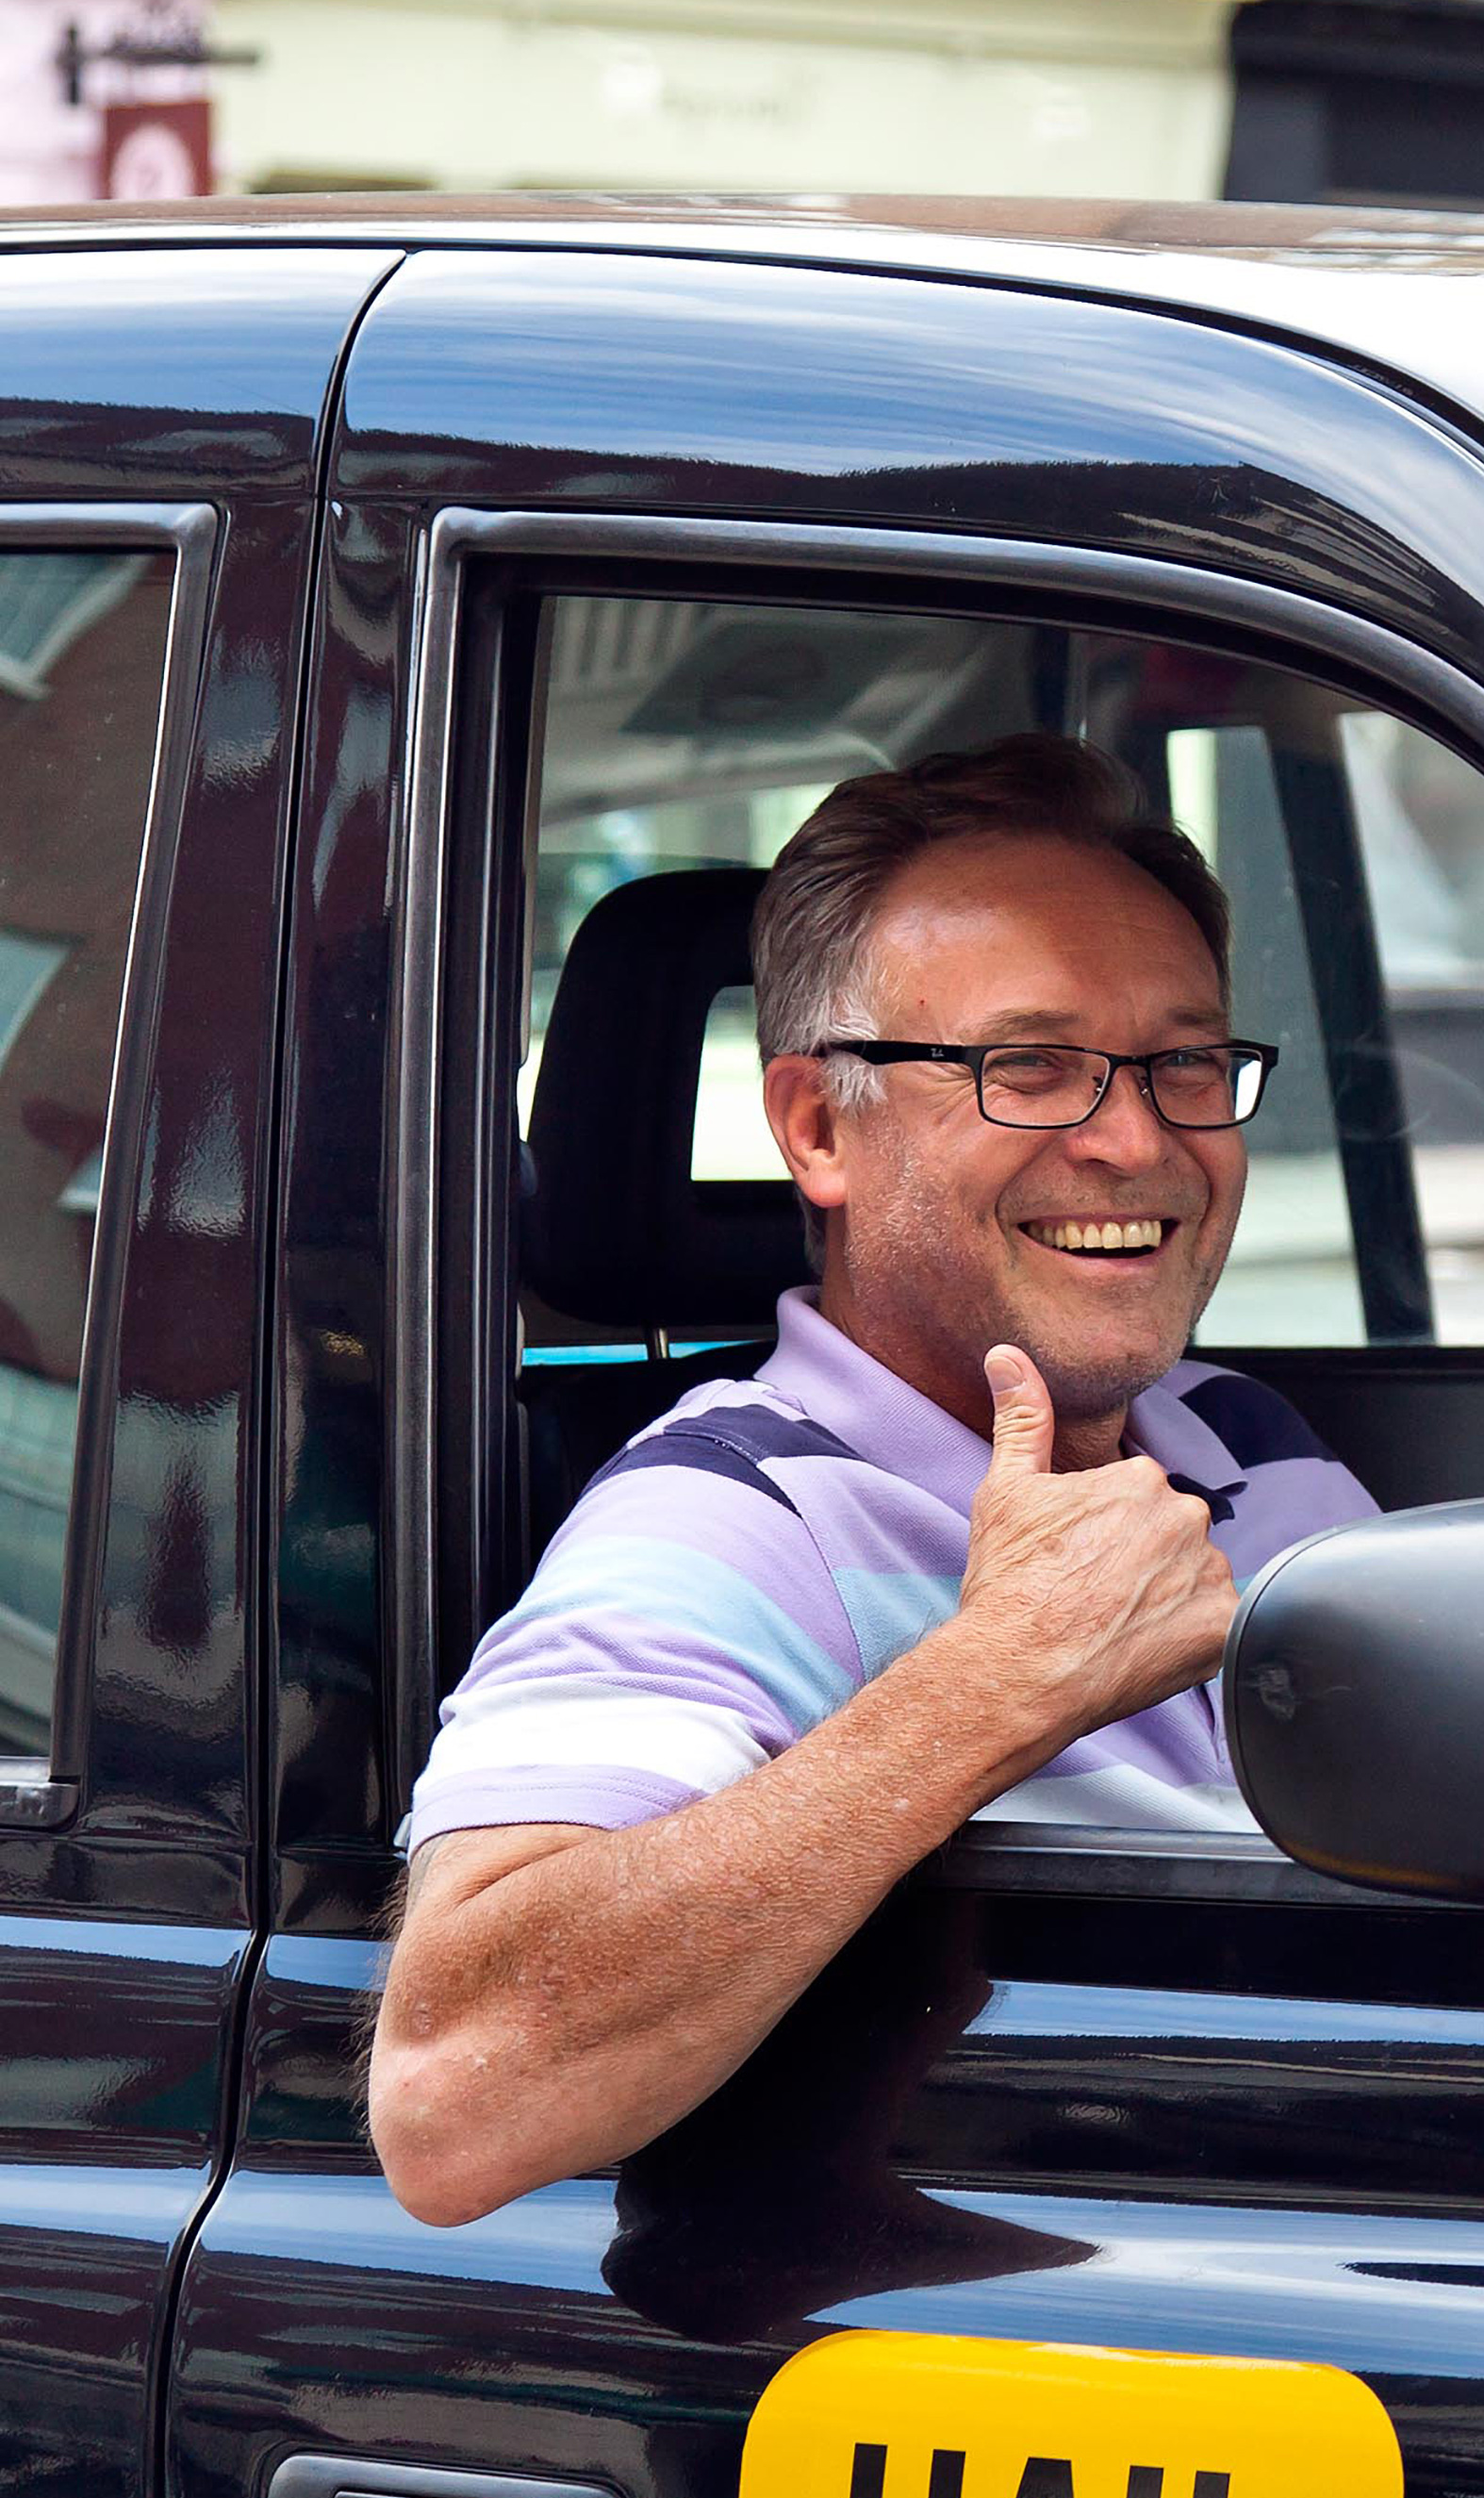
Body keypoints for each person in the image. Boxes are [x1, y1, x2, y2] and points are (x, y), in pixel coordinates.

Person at [370, 734, 1376, 2226]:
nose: (1137, 1139)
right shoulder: (733, 1517)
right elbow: (453, 2099)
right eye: (1026, 1066)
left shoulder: (1243, 1431)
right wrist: (999, 1679)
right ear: (818, 1129)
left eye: (1182, 1061)